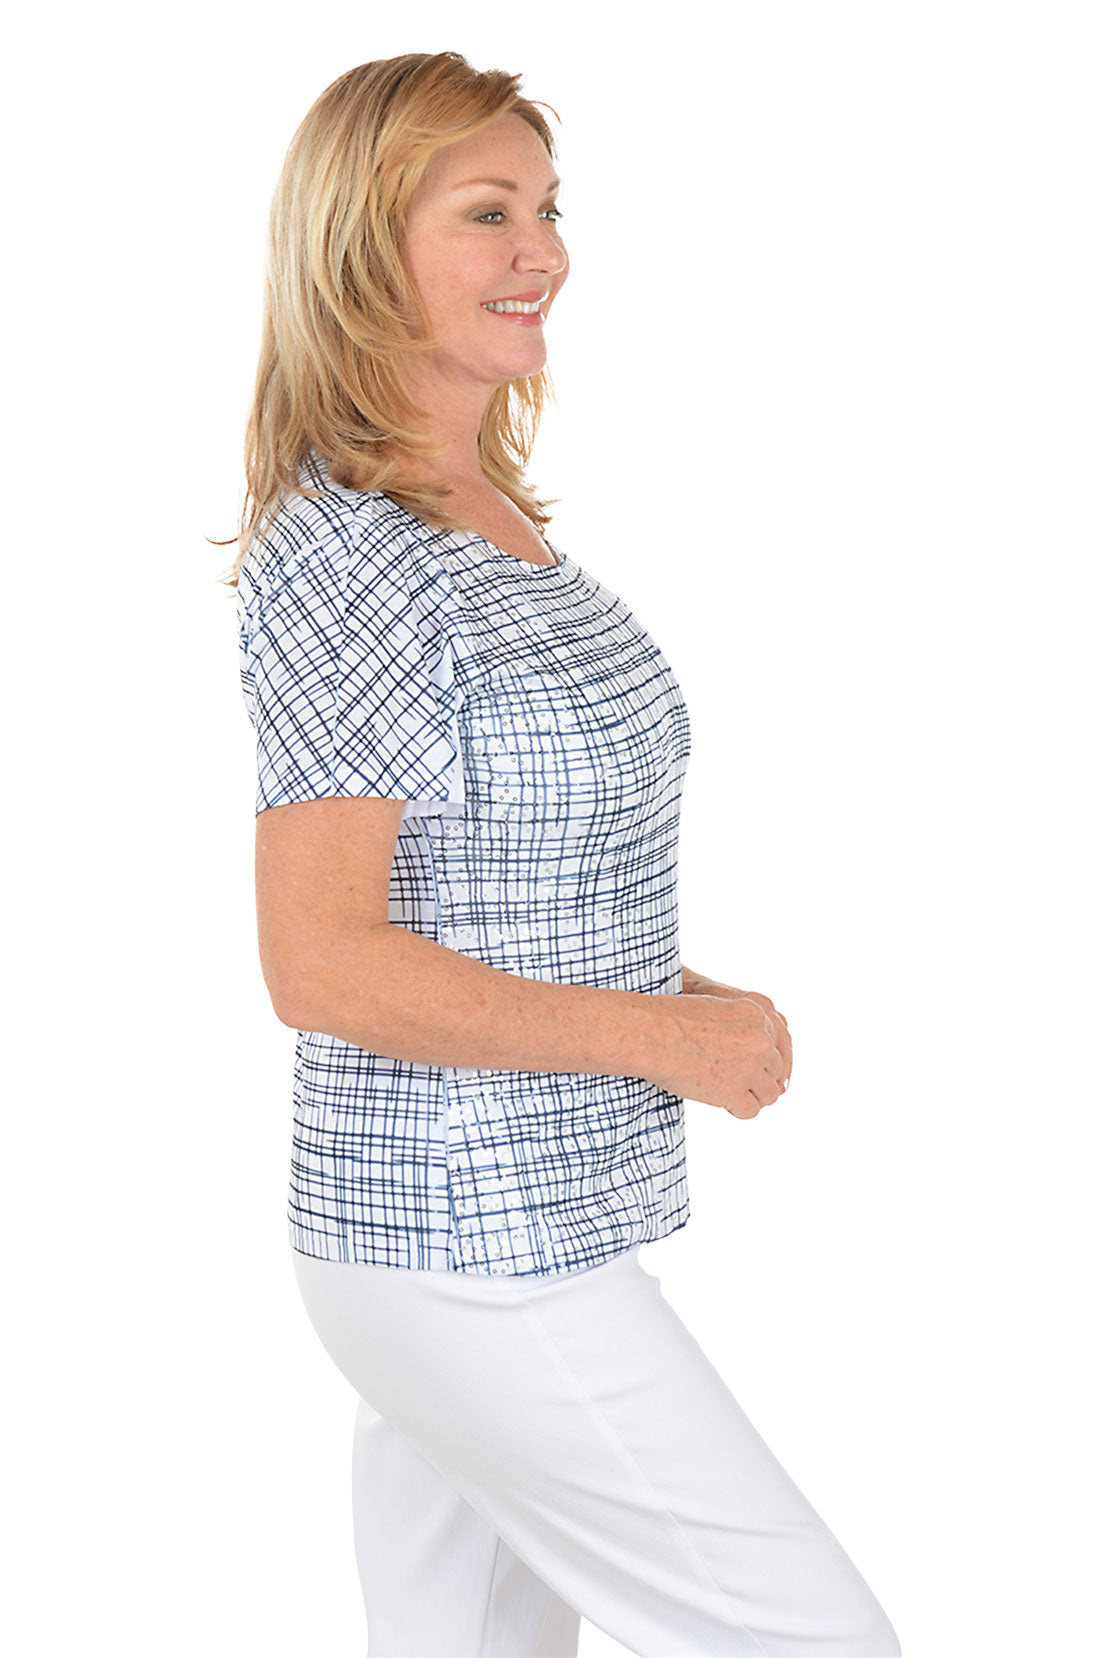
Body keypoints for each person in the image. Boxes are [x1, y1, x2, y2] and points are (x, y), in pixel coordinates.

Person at [221, 50, 903, 1658]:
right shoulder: (354, 551)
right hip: (462, 1243)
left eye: (545, 206)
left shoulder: (487, 519)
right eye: (484, 212)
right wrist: (661, 1034)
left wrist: (677, 984)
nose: (542, 251)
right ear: (358, 248)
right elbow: (319, 964)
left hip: (516, 1221)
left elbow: (497, 875)